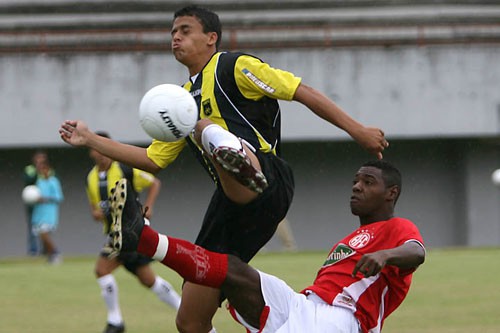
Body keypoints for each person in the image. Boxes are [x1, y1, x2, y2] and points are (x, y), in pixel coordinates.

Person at [59, 5, 389, 332]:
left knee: (200, 126)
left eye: (185, 31)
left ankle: (235, 156)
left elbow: (301, 92)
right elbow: (152, 160)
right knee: (189, 319)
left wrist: (356, 130)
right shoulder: (182, 101)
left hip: (267, 178)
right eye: (173, 32)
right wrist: (89, 138)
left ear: (211, 38)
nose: (176, 38)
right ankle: (226, 161)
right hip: (229, 203)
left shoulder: (234, 66)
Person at [108, 160, 425, 333]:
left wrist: (385, 255)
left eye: (368, 182)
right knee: (230, 270)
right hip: (304, 305)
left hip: (344, 321)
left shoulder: (398, 228)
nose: (357, 186)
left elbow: (416, 252)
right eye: (356, 179)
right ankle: (143, 238)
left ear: (391, 194)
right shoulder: (347, 240)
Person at [86, 131, 181, 333]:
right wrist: (97, 213)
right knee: (149, 280)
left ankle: (115, 322)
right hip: (115, 232)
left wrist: (149, 206)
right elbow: (95, 209)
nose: (101, 153)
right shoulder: (91, 178)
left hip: (129, 231)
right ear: (92, 151)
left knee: (102, 269)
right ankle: (184, 310)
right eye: (97, 148)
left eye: (104, 147)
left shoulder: (125, 169)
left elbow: (154, 182)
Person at [31, 159, 64, 264]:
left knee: (44, 234)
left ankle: (56, 253)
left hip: (49, 213)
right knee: (42, 236)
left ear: (48, 169)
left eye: (44, 168)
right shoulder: (39, 182)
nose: (42, 171)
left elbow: (59, 197)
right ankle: (51, 256)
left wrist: (45, 199)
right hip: (39, 213)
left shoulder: (53, 181)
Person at [22, 150, 54, 255]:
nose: (40, 160)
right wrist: (37, 170)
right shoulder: (30, 169)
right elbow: (28, 180)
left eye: (42, 158)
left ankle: (45, 250)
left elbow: (52, 184)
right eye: (38, 158)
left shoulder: (49, 171)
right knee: (33, 228)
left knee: (45, 228)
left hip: (44, 205)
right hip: (33, 205)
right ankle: (33, 250)